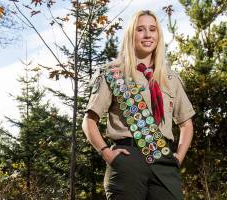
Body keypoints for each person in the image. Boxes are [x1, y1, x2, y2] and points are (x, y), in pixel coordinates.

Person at [82, 10, 195, 200]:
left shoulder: (170, 78)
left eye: (153, 29)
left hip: (164, 160)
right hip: (128, 159)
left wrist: (179, 157)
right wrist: (106, 153)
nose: (148, 34)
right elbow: (89, 121)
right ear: (131, 35)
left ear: (158, 35)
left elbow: (186, 123)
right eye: (140, 29)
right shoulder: (113, 73)